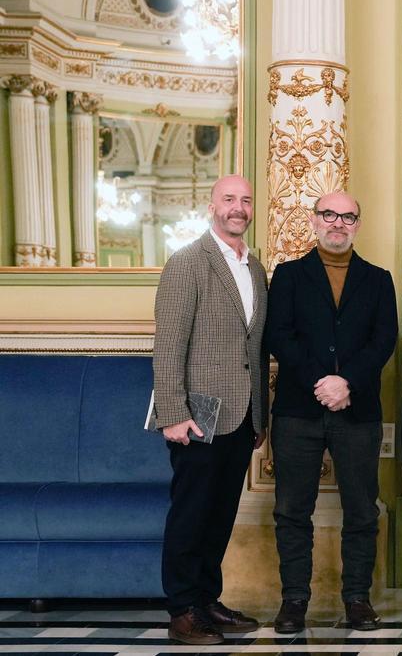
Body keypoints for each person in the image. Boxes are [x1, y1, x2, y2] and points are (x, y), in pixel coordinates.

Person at [265, 192, 398, 633]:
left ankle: (357, 598)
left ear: (357, 224)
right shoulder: (288, 275)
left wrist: (348, 383)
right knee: (291, 510)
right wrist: (322, 383)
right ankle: (294, 601)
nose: (337, 223)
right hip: (298, 410)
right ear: (314, 221)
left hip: (357, 411)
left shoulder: (378, 279)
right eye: (329, 214)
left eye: (347, 216)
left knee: (362, 509)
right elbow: (279, 336)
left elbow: (383, 341)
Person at [153, 174, 268, 645]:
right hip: (197, 415)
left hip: (242, 417)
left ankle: (206, 601)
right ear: (211, 206)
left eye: (245, 199)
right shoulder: (187, 263)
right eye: (228, 199)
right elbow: (168, 345)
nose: (237, 208)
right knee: (191, 514)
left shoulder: (255, 268)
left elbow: (253, 348)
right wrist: (173, 413)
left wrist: (261, 416)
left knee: (220, 514)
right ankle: (182, 610)